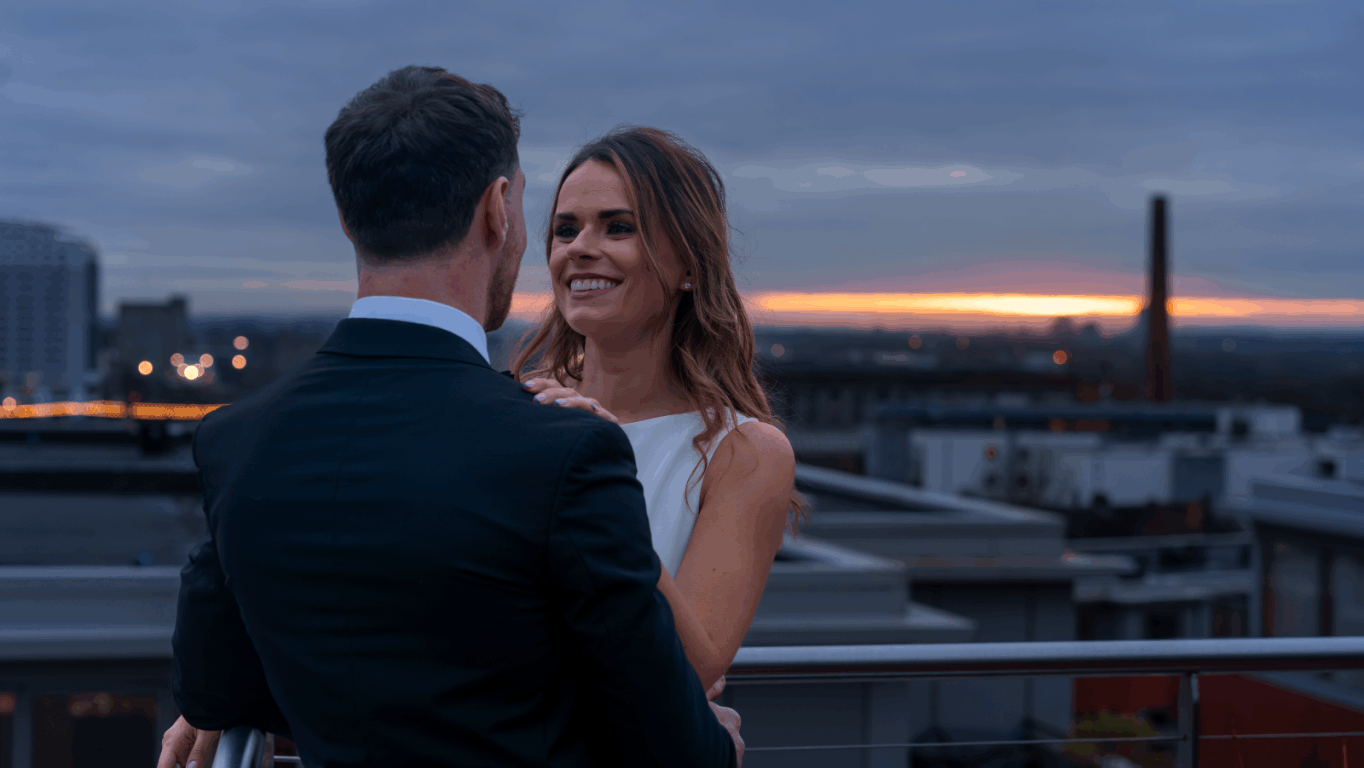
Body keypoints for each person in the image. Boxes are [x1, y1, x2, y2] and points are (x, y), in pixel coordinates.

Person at [159, 66, 740, 768]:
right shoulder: (564, 451)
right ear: (498, 208)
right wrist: (719, 745)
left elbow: (216, 688)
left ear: (348, 218)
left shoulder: (236, 439)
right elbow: (670, 743)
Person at [513, 126, 799, 698]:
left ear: (690, 266)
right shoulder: (515, 411)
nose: (579, 247)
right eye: (565, 230)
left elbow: (692, 667)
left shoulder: (743, 455)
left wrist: (596, 479)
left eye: (619, 227)